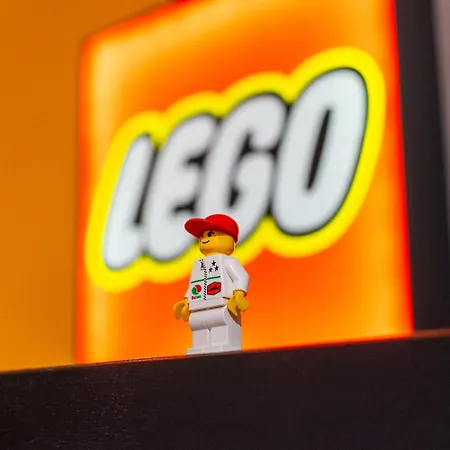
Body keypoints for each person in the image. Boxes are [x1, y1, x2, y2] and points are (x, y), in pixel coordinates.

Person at [173, 214, 250, 354]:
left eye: (209, 234)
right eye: (202, 236)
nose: (204, 239)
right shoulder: (198, 264)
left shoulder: (228, 261)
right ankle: (199, 348)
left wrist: (238, 293)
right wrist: (186, 301)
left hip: (223, 303)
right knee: (198, 324)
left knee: (221, 322)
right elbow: (194, 285)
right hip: (198, 305)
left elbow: (241, 276)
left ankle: (223, 345)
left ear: (228, 238)